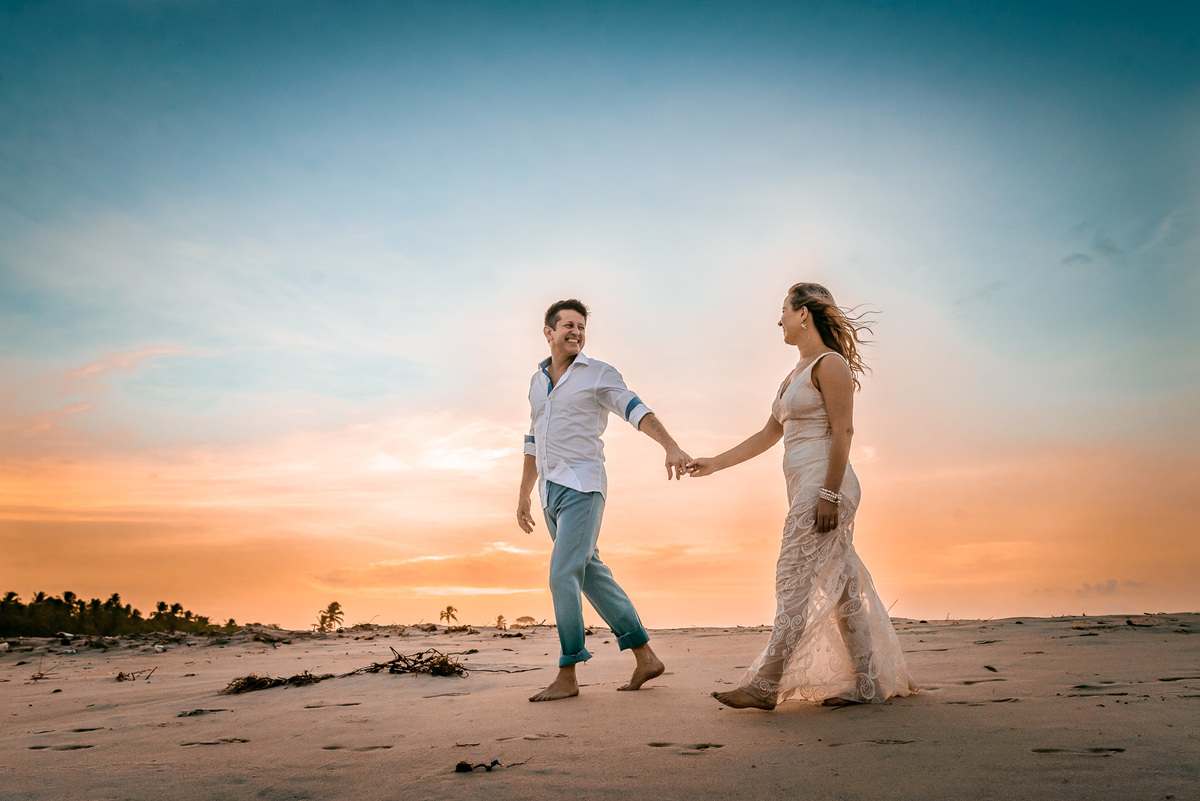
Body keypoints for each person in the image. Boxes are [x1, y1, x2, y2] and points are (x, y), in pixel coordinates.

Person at [688, 283, 917, 709]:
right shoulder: (794, 374)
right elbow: (767, 435)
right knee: (844, 584)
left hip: (825, 484)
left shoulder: (830, 365)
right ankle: (867, 683)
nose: (779, 320)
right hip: (805, 485)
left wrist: (829, 493)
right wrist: (714, 463)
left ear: (803, 314)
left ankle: (766, 684)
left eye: (784, 311)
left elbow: (843, 431)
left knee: (791, 577)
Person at [517, 298, 690, 702]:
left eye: (581, 326)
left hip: (583, 487)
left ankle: (568, 672)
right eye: (568, 325)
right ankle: (646, 657)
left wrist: (670, 445)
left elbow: (635, 409)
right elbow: (533, 439)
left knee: (562, 574)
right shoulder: (537, 382)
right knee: (590, 574)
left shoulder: (598, 374)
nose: (576, 332)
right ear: (549, 332)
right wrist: (524, 492)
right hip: (550, 492)